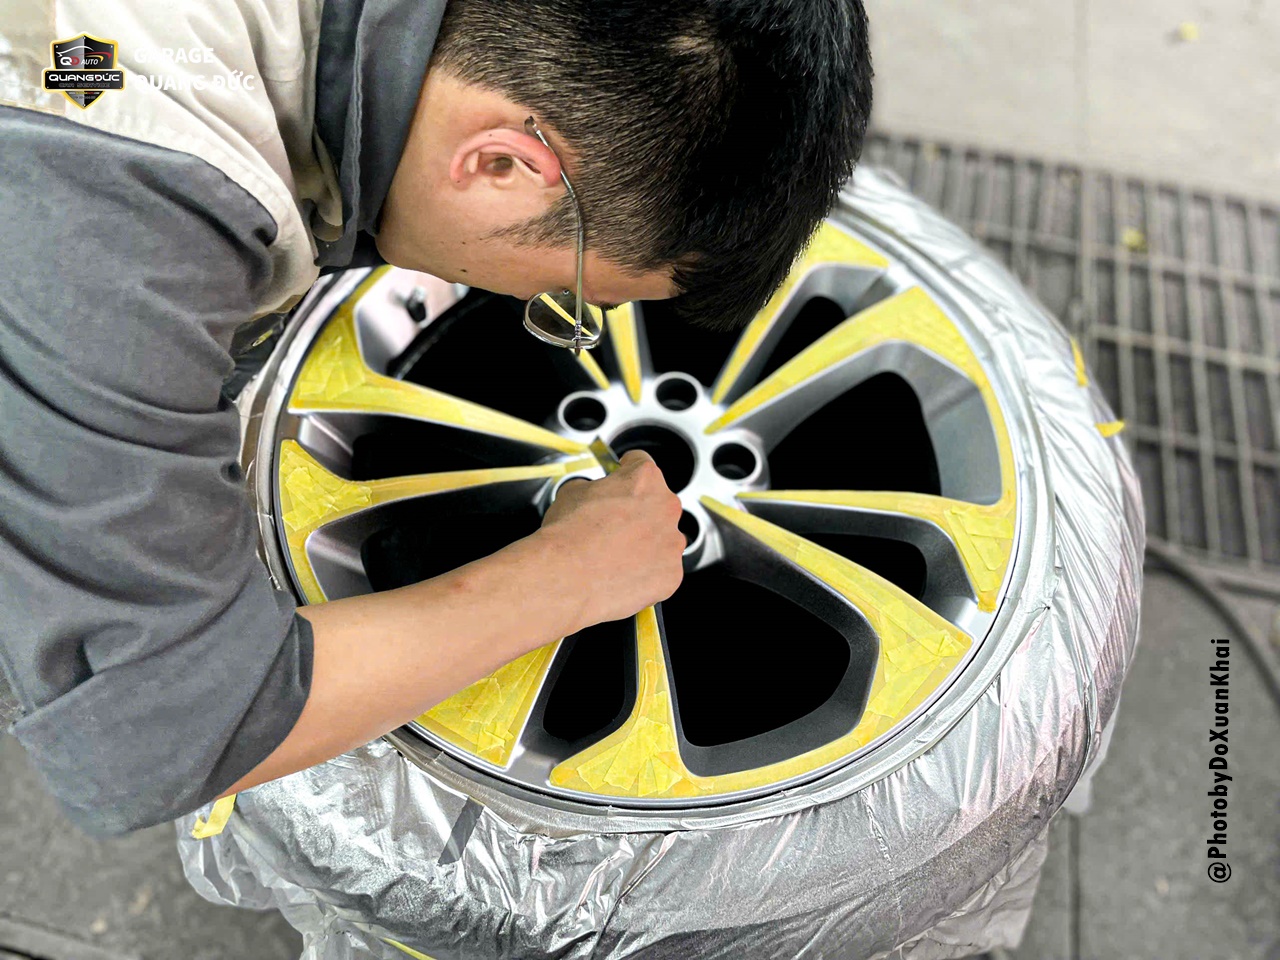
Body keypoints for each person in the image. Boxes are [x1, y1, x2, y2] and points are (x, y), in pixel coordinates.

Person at [0, 0, 873, 835]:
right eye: (567, 299)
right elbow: (161, 731)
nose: (545, 312)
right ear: (501, 165)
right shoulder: (121, 228)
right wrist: (572, 573)